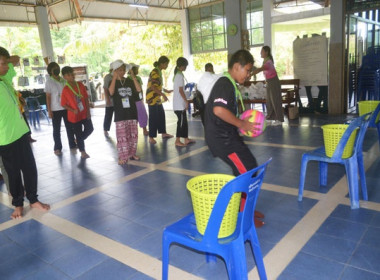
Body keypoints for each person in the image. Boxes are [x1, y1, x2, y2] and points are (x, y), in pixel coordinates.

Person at [204, 49, 265, 227]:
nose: (248, 75)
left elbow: (225, 111)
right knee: (247, 172)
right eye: (247, 70)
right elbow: (219, 110)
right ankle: (243, 217)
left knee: (250, 167)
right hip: (222, 139)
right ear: (237, 67)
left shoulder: (229, 83)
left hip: (228, 136)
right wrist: (241, 124)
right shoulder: (225, 84)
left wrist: (238, 125)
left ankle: (246, 209)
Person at [0, 46, 50, 219]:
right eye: (2, 64)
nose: (6, 66)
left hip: (21, 132)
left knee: (29, 167)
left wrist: (5, 59)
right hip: (5, 138)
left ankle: (33, 199)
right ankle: (18, 204)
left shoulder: (4, 79)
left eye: (5, 63)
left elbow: (16, 58)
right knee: (13, 173)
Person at [109, 60, 141, 165]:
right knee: (122, 136)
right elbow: (111, 92)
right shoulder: (112, 82)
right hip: (120, 114)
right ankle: (122, 156)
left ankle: (132, 154)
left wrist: (133, 76)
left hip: (131, 112)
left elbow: (139, 89)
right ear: (114, 71)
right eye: (119, 70)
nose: (122, 72)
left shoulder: (129, 81)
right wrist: (114, 78)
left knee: (133, 135)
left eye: (123, 70)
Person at [60, 66, 94, 159]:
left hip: (84, 113)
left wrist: (88, 111)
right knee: (78, 133)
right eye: (68, 75)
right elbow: (63, 104)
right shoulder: (66, 89)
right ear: (64, 77)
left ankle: (78, 140)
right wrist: (72, 110)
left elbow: (86, 98)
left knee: (90, 129)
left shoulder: (80, 85)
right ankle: (83, 152)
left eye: (72, 74)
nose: (71, 76)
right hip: (74, 116)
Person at [45, 62, 76, 155]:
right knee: (56, 129)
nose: (57, 69)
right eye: (54, 68)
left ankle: (72, 144)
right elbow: (48, 97)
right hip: (55, 109)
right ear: (50, 71)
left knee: (70, 127)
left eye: (58, 67)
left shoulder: (63, 80)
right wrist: (49, 110)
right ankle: (57, 147)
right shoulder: (49, 82)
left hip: (66, 108)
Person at [252, 46, 284, 126]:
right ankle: (269, 118)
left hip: (274, 82)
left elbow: (260, 69)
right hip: (269, 82)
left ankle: (279, 119)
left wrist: (251, 74)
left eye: (262, 51)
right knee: (269, 101)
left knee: (275, 100)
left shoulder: (268, 62)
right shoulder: (265, 61)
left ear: (266, 52)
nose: (260, 53)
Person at [146, 56, 173, 144]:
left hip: (156, 98)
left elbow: (158, 85)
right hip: (152, 98)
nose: (167, 66)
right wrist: (163, 95)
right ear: (162, 63)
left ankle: (163, 133)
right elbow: (153, 87)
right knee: (153, 118)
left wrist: (166, 90)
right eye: (166, 64)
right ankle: (151, 137)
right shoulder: (155, 72)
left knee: (161, 115)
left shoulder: (159, 71)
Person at [172, 57, 195, 147]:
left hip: (180, 103)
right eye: (185, 66)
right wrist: (186, 101)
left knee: (184, 122)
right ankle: (177, 140)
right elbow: (181, 90)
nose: (186, 68)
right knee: (181, 122)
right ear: (182, 66)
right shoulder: (179, 76)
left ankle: (186, 139)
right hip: (179, 104)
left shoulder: (178, 74)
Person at [127, 63, 149, 136]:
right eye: (136, 69)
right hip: (134, 100)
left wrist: (142, 98)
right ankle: (141, 131)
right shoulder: (128, 79)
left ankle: (144, 130)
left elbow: (140, 89)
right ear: (132, 70)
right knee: (138, 115)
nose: (137, 71)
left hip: (138, 99)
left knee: (142, 114)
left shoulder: (138, 78)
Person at [103, 66, 114, 137]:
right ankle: (105, 129)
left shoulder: (120, 76)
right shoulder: (108, 77)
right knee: (108, 115)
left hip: (118, 100)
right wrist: (108, 99)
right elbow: (105, 88)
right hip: (110, 99)